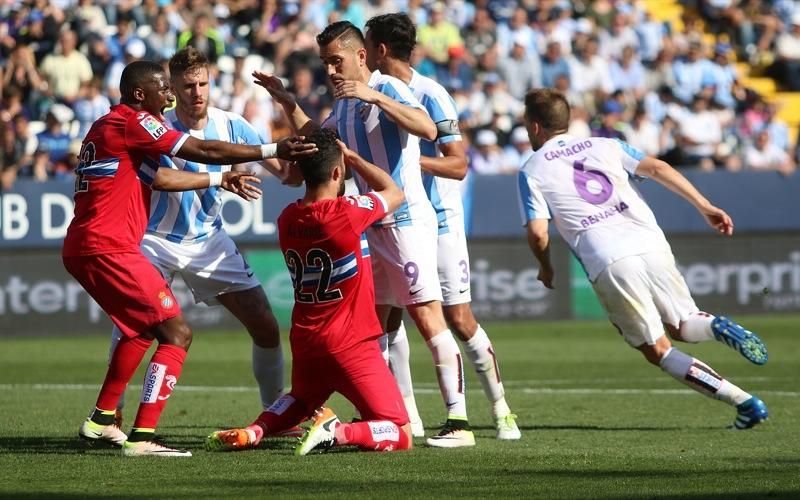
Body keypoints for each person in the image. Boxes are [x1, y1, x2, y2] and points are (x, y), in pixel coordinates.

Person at [65, 60, 315, 457]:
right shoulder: (150, 125)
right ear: (164, 89)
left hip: (207, 241)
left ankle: (274, 415)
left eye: (202, 83)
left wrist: (290, 116)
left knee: (264, 325)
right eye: (180, 86)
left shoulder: (230, 123)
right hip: (151, 240)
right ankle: (126, 426)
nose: (192, 92)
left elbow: (290, 176)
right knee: (158, 329)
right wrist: (229, 169)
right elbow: (170, 172)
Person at [252, 21, 478, 448]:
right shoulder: (343, 104)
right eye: (325, 63)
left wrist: (373, 93)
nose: (331, 70)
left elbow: (428, 130)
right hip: (373, 225)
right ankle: (397, 415)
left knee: (427, 316)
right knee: (377, 325)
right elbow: (320, 140)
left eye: (336, 61)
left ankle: (459, 421)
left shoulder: (386, 88)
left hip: (407, 221)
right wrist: (286, 101)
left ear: (361, 56)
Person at [517, 89, 769, 430]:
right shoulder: (605, 144)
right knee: (684, 323)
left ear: (534, 127)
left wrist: (545, 265)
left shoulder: (531, 169)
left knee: (659, 350)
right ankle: (716, 326)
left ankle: (745, 403)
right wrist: (704, 205)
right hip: (650, 241)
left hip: (608, 258)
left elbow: (538, 232)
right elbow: (659, 167)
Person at [205, 128, 413, 455]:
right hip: (351, 343)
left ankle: (255, 430)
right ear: (337, 171)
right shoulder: (346, 214)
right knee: (400, 432)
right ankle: (337, 431)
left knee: (301, 399)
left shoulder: (287, 219)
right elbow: (395, 192)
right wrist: (354, 156)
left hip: (307, 340)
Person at [364, 12, 520, 441]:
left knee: (457, 318)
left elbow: (458, 164)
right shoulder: (369, 92)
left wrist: (411, 162)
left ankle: (501, 409)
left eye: (364, 45)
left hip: (441, 221)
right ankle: (406, 416)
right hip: (395, 220)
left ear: (378, 49)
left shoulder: (430, 94)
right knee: (388, 319)